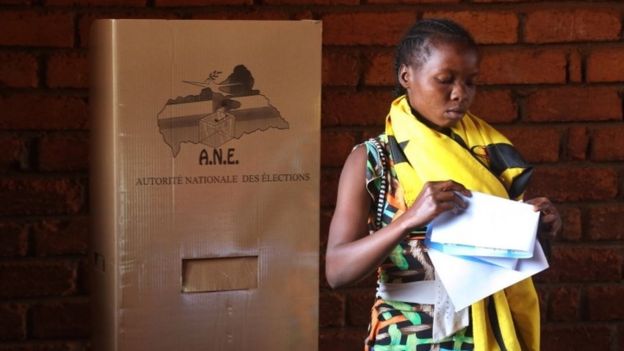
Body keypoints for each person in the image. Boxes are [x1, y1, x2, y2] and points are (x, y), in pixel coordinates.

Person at [325, 19, 561, 351]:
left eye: (470, 82)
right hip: (406, 339)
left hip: (484, 335)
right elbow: (336, 271)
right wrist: (409, 219)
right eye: (445, 80)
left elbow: (513, 268)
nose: (460, 94)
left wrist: (540, 234)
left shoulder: (491, 157)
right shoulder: (373, 160)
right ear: (406, 76)